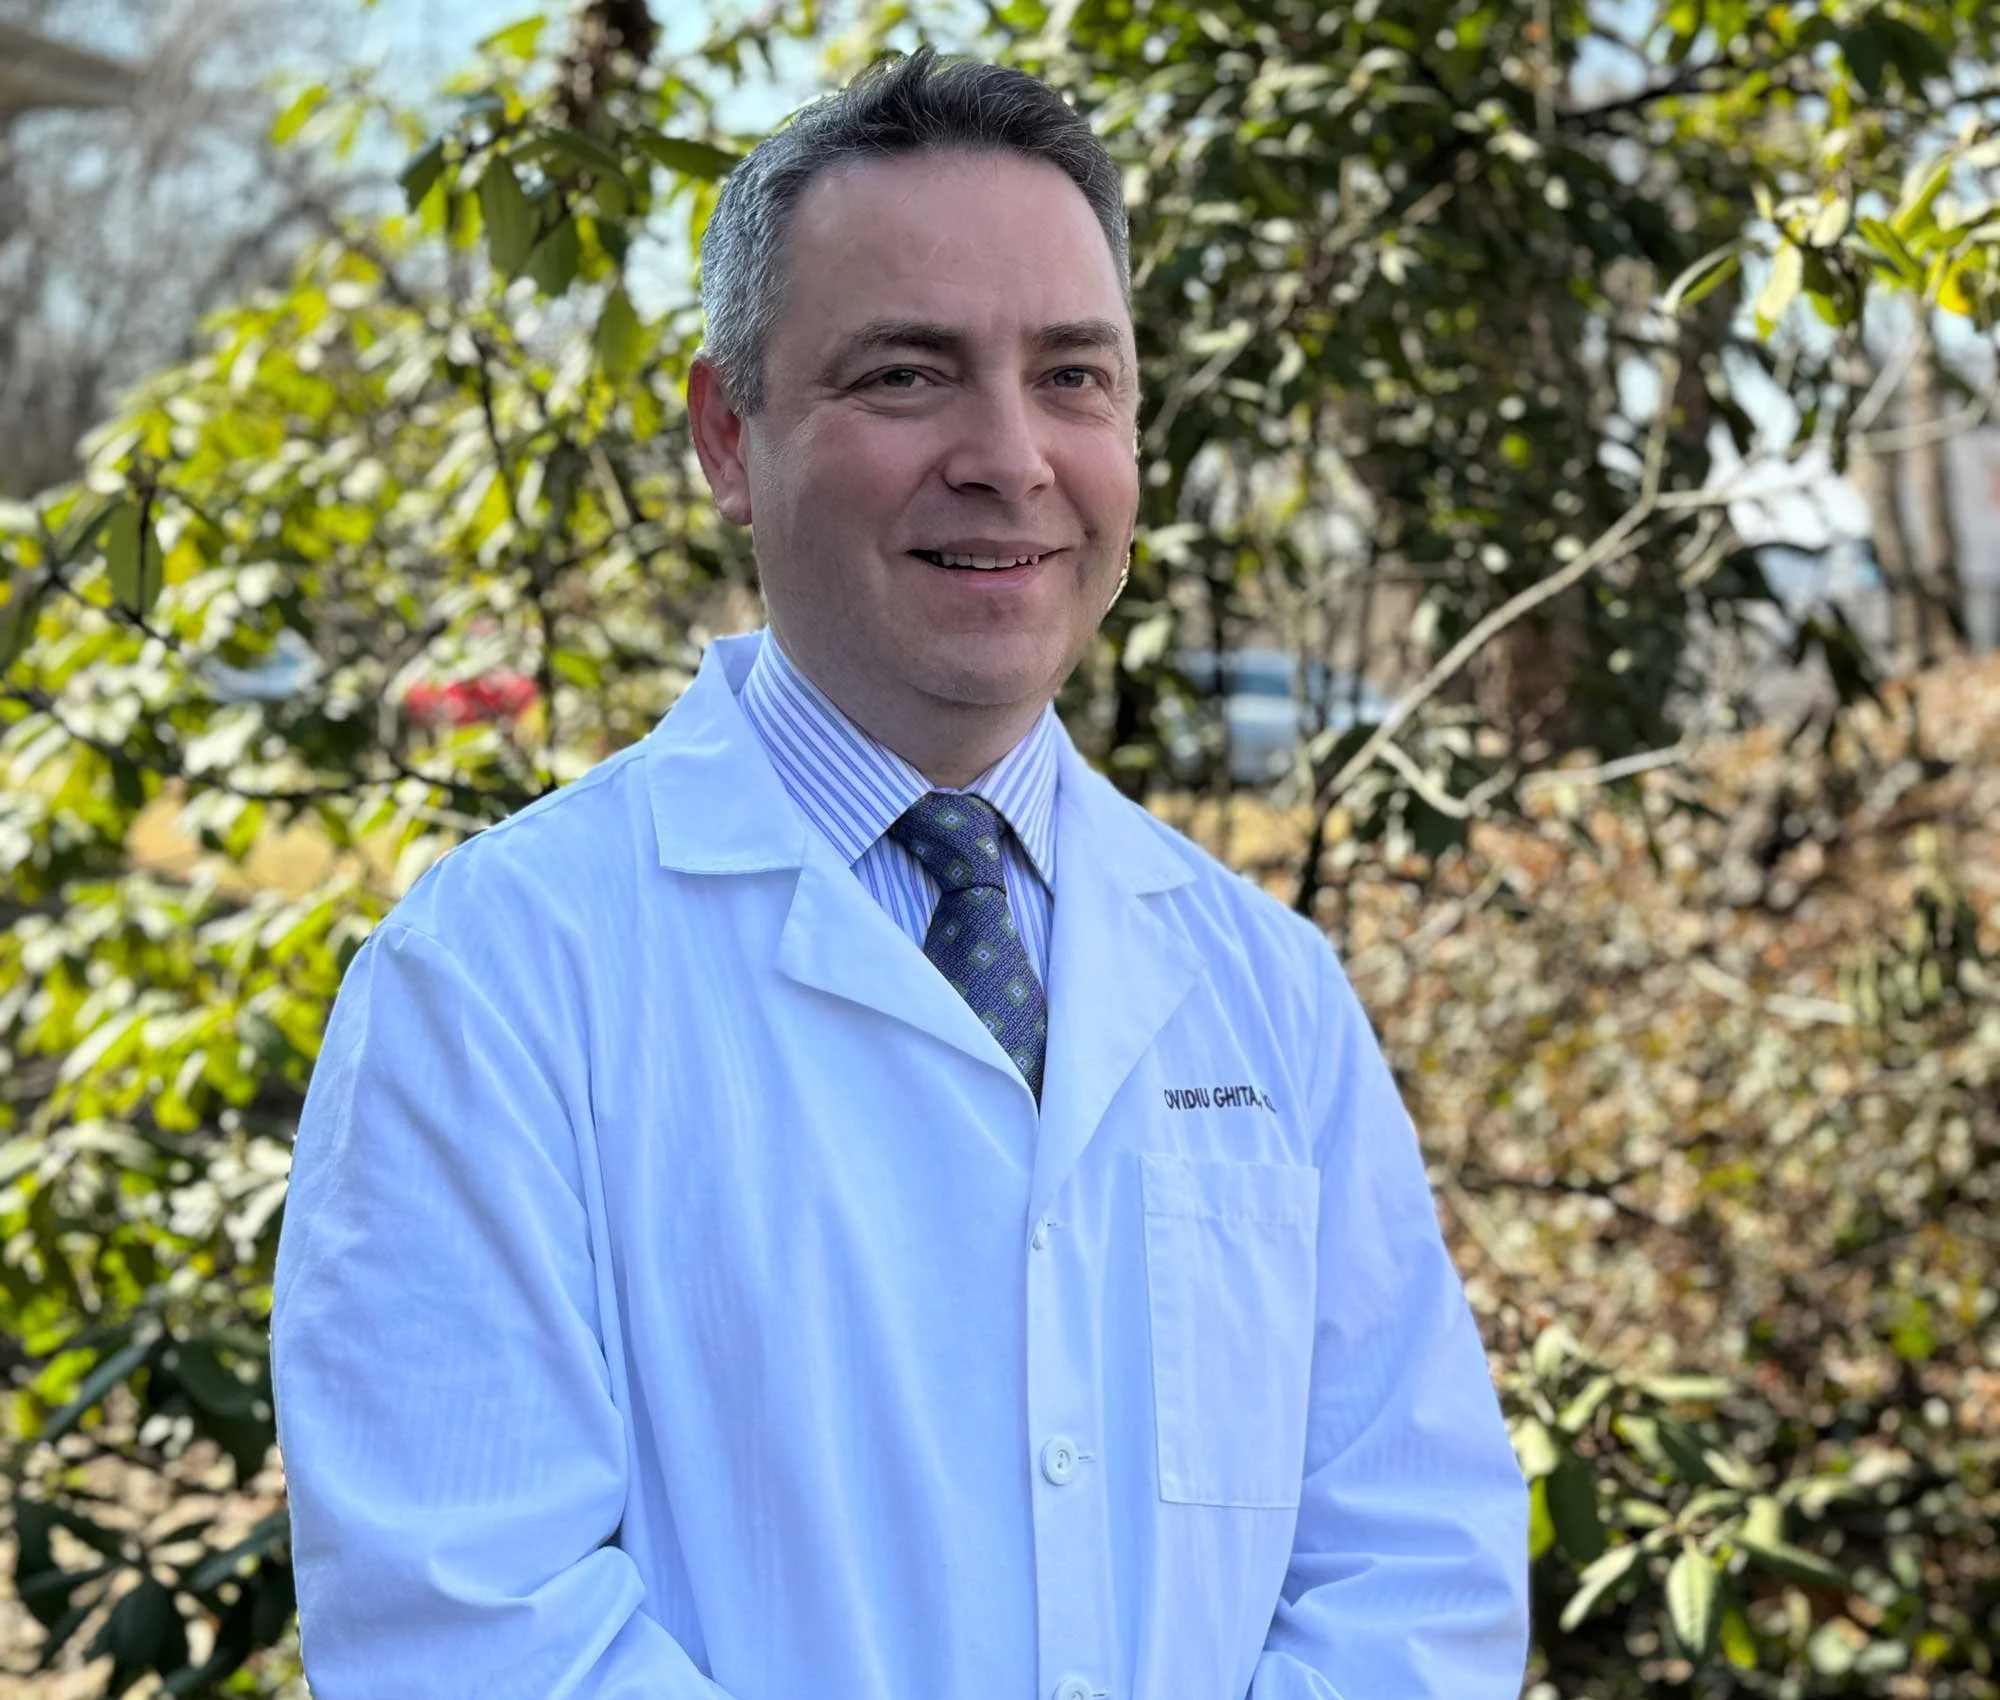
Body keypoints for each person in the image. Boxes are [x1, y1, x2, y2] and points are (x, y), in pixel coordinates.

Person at [270, 47, 1529, 1700]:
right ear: (731, 434)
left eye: (1074, 377)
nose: (1012, 456)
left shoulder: (1264, 987)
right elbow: (469, 1630)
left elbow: (1414, 1569)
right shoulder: (494, 982)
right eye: (909, 375)